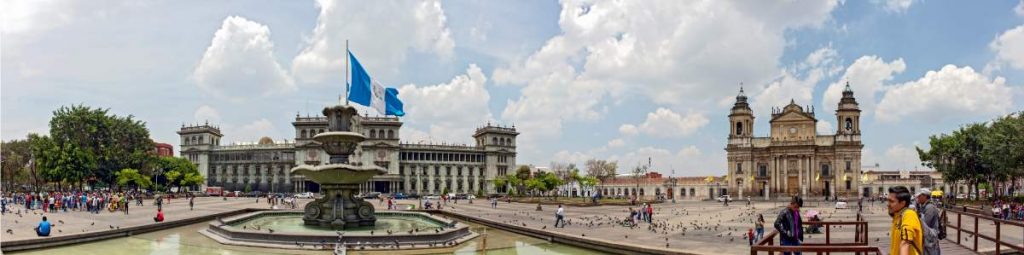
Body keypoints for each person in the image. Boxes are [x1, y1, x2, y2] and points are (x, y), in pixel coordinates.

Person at [888, 186, 923, 255]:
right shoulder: (897, 216)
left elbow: (905, 243)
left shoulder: (909, 215)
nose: (888, 204)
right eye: (888, 200)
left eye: (891, 201)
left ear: (903, 203)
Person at [915, 188, 942, 255]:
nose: (918, 198)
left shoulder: (930, 208)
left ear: (925, 196)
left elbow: (925, 224)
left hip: (930, 239)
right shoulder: (924, 206)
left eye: (919, 196)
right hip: (927, 238)